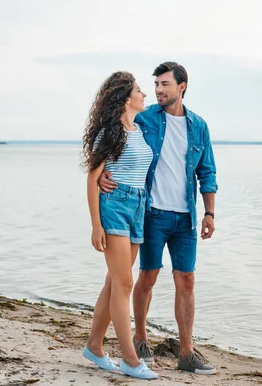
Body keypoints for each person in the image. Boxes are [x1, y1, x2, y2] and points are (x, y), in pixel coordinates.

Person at [99, 62, 218, 375]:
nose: (158, 91)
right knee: (147, 277)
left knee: (186, 280)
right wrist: (101, 174)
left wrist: (209, 212)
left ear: (182, 87)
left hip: (186, 219)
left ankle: (187, 352)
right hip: (151, 213)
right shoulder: (145, 117)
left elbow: (207, 172)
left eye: (165, 84)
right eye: (155, 85)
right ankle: (140, 339)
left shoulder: (199, 126)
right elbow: (114, 132)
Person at [81, 71, 158, 380]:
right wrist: (95, 225)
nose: (145, 95)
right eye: (140, 90)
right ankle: (129, 358)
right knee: (125, 283)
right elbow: (91, 178)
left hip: (139, 205)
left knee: (115, 282)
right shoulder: (110, 133)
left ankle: (94, 347)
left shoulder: (139, 130)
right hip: (114, 207)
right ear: (127, 98)